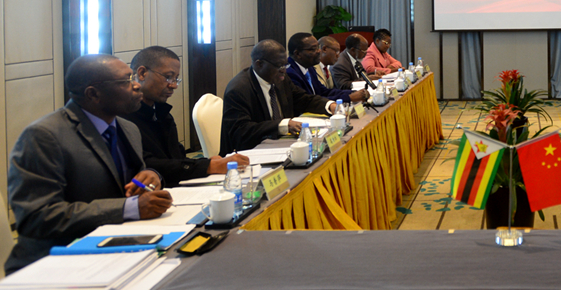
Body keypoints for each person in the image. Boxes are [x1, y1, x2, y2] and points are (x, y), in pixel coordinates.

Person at [6, 55, 172, 273]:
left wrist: (151, 176)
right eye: (126, 81)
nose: (136, 85)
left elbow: (134, 187)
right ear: (93, 94)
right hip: (57, 264)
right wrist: (129, 208)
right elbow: (37, 218)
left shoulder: (128, 129)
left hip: (119, 249)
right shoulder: (44, 136)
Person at [126, 46, 249, 187]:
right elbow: (146, 165)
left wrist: (207, 162)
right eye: (168, 77)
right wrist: (209, 166)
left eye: (176, 79)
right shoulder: (124, 118)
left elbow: (176, 159)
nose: (174, 85)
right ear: (142, 73)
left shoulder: (162, 113)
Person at [220, 40, 336, 155]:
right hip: (250, 154)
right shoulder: (239, 89)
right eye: (279, 65)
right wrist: (283, 124)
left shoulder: (280, 78)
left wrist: (330, 105)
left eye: (285, 64)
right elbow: (241, 131)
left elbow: (302, 99)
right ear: (259, 64)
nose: (284, 70)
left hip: (282, 146)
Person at [286, 32, 367, 103]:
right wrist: (349, 97)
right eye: (313, 49)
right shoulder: (290, 73)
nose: (319, 51)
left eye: (318, 47)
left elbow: (323, 91)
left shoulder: (309, 68)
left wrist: (353, 93)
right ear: (297, 54)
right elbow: (308, 101)